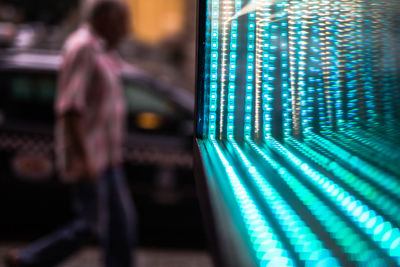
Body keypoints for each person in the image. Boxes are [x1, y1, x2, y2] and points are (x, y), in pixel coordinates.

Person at [5, 1, 136, 266]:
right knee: (91, 225)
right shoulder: (83, 48)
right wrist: (83, 158)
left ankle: (30, 259)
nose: (127, 30)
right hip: (92, 158)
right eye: (123, 21)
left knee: (119, 228)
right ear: (106, 18)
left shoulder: (104, 49)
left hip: (108, 158)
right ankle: (29, 260)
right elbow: (70, 107)